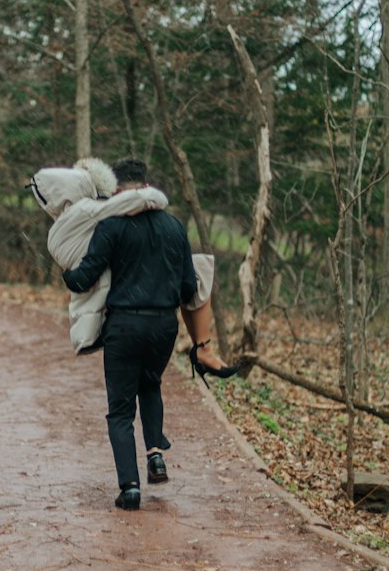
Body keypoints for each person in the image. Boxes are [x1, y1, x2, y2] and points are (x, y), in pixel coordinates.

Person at [59, 157, 200, 511]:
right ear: (146, 183)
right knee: (150, 384)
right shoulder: (174, 227)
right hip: (164, 327)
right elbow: (188, 287)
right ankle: (155, 455)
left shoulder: (112, 227)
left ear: (117, 190)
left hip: (125, 325)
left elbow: (83, 278)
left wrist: (65, 272)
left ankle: (130, 488)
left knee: (120, 410)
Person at [29, 156, 236, 379]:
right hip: (148, 311)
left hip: (119, 305)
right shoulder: (98, 212)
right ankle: (204, 348)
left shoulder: (94, 220)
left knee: (122, 403)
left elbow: (83, 276)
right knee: (198, 271)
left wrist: (70, 277)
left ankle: (203, 349)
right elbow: (187, 287)